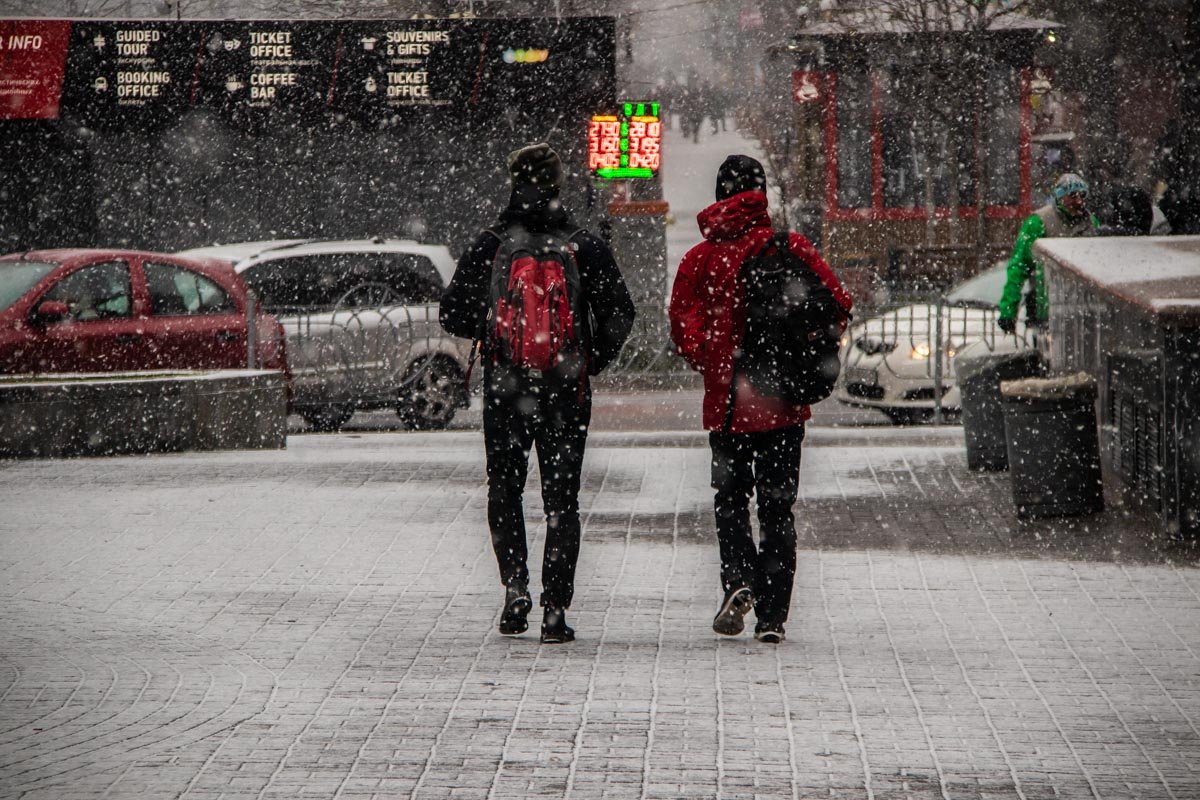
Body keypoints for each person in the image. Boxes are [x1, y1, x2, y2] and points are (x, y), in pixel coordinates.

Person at [440, 143, 635, 644]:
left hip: (507, 388)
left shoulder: (492, 244)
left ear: (513, 181)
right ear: (557, 183)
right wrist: (589, 360)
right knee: (561, 500)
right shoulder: (581, 243)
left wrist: (494, 330)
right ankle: (554, 608)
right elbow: (620, 311)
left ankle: (514, 589)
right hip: (565, 392)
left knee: (504, 490)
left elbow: (452, 314)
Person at [668, 155, 852, 644]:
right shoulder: (789, 246)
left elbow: (682, 324)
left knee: (730, 503)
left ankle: (739, 581)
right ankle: (773, 615)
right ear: (761, 193)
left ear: (719, 194)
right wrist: (802, 352)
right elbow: (839, 301)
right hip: (784, 406)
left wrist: (712, 357)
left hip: (728, 407)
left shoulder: (700, 259)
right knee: (777, 509)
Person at [997, 172, 1098, 334]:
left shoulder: (1091, 222)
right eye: (1072, 196)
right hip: (1047, 311)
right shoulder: (1038, 223)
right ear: (1059, 197)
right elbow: (1018, 267)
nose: (1079, 201)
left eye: (1082, 195)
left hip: (1086, 311)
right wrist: (1008, 311)